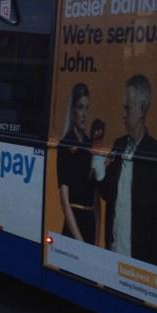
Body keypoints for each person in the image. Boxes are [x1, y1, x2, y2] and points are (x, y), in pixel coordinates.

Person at [98, 74, 157, 266]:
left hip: (137, 262)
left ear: (143, 108)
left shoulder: (155, 152)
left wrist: (153, 267)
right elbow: (106, 194)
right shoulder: (118, 145)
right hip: (112, 253)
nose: (123, 114)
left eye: (128, 108)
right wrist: (100, 171)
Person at [57, 83, 97, 244]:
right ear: (73, 110)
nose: (84, 114)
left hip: (90, 225)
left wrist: (95, 242)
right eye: (80, 107)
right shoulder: (65, 145)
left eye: (87, 108)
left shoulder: (90, 145)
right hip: (73, 228)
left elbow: (96, 199)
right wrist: (80, 242)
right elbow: (65, 204)